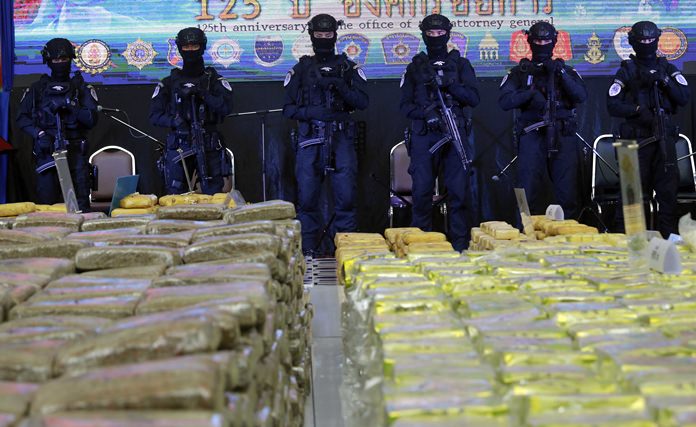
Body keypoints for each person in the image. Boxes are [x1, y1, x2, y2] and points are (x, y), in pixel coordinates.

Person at [283, 13, 368, 255]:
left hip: (341, 139)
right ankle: (309, 254)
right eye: (318, 35)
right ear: (312, 35)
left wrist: (342, 87)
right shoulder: (300, 70)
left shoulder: (348, 67)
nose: (323, 39)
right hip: (310, 139)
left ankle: (346, 254)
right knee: (307, 202)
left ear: (335, 35)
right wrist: (312, 111)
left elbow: (363, 101)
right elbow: (288, 109)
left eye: (327, 34)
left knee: (346, 200)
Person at [399, 13, 479, 251]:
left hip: (454, 134)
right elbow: (404, 106)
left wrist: (452, 86)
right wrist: (426, 113)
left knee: (458, 193)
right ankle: (421, 245)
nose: (435, 37)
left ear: (448, 34)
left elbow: (474, 98)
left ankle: (459, 246)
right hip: (425, 135)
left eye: (440, 33)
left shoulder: (462, 65)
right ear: (424, 35)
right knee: (422, 192)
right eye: (431, 34)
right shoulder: (414, 68)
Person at [607, 20, 690, 237]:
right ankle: (627, 245)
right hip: (633, 142)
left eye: (650, 39)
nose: (646, 43)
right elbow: (612, 104)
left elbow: (683, 98)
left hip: (663, 139)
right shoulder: (626, 71)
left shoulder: (667, 68)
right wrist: (636, 109)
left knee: (668, 196)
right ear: (634, 42)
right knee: (630, 199)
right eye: (642, 40)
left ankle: (668, 242)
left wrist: (664, 80)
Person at [499, 21, 587, 220]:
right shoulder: (520, 73)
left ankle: (569, 240)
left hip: (563, 135)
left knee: (568, 194)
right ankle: (524, 237)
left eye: (546, 40)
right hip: (532, 135)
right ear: (530, 41)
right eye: (537, 40)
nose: (542, 44)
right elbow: (504, 101)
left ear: (553, 41)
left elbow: (580, 96)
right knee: (526, 191)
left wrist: (560, 73)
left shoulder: (566, 71)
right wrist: (528, 95)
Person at [16, 37, 98, 212]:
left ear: (71, 60)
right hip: (47, 153)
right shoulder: (37, 89)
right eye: (56, 60)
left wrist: (72, 106)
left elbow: (92, 120)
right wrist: (39, 134)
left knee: (80, 206)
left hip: (76, 153)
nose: (60, 63)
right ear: (48, 61)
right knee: (47, 206)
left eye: (64, 59)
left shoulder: (81, 88)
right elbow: (22, 118)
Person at [150, 27, 233, 195]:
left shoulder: (214, 81)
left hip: (208, 145)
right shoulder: (169, 83)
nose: (189, 51)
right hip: (179, 145)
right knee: (175, 196)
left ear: (202, 47)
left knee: (213, 196)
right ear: (180, 48)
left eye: (194, 46)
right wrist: (174, 121)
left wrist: (204, 94)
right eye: (185, 47)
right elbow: (154, 115)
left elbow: (226, 108)